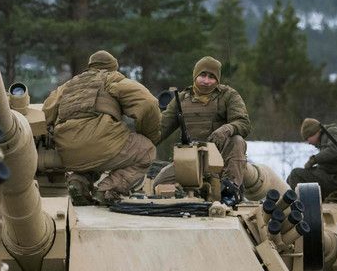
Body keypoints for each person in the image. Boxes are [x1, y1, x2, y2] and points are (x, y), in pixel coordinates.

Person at [42, 50, 161, 205]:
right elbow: (148, 103)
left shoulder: (68, 86)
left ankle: (78, 183)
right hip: (101, 144)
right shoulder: (112, 79)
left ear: (90, 66)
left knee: (92, 157)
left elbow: (45, 112)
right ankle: (107, 189)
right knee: (147, 150)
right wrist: (149, 135)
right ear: (113, 67)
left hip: (68, 152)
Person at [156, 56, 250, 188]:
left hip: (221, 158)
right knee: (158, 184)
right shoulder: (181, 99)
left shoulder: (228, 95)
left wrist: (226, 129)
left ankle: (231, 189)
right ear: (195, 75)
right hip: (190, 158)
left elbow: (243, 122)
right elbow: (161, 128)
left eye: (211, 77)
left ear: (217, 80)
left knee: (237, 140)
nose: (206, 81)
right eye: (202, 75)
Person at [287, 118, 337, 197]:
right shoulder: (324, 138)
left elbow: (336, 150)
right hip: (330, 176)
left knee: (295, 174)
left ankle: (305, 203)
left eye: (307, 138)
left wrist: (314, 159)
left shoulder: (334, 132)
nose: (308, 142)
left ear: (313, 133)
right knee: (290, 178)